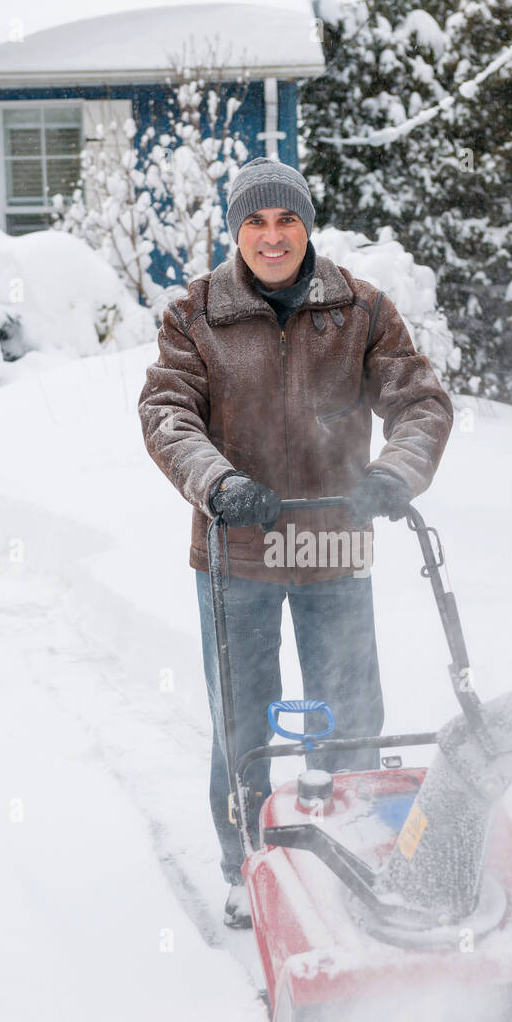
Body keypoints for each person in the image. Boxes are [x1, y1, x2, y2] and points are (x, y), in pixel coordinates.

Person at [138, 157, 453, 927]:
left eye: (287, 221)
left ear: (306, 226)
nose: (272, 237)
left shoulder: (359, 308)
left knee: (351, 714)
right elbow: (167, 415)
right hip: (237, 553)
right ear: (236, 230)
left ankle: (352, 856)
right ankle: (251, 867)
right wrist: (219, 485)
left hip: (333, 547)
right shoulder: (195, 315)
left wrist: (395, 473)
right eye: (256, 222)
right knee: (246, 725)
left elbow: (421, 401)